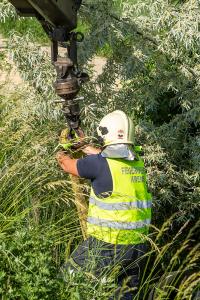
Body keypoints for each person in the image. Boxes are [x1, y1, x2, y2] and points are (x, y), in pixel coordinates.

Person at [56, 110, 152, 299]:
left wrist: (62, 149)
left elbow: (66, 164)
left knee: (67, 276)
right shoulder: (137, 163)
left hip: (108, 244)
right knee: (122, 293)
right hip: (138, 245)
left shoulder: (98, 165)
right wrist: (85, 146)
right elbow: (108, 157)